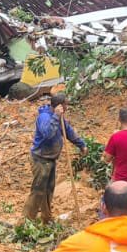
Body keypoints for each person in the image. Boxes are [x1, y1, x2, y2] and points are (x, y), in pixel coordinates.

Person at [25, 94, 86, 222]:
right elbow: (48, 134)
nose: (67, 108)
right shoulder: (44, 117)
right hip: (40, 159)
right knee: (38, 191)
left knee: (48, 190)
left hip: (51, 159)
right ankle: (27, 220)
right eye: (65, 105)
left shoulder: (59, 117)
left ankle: (46, 218)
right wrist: (56, 116)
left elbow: (68, 131)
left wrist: (81, 145)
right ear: (59, 106)